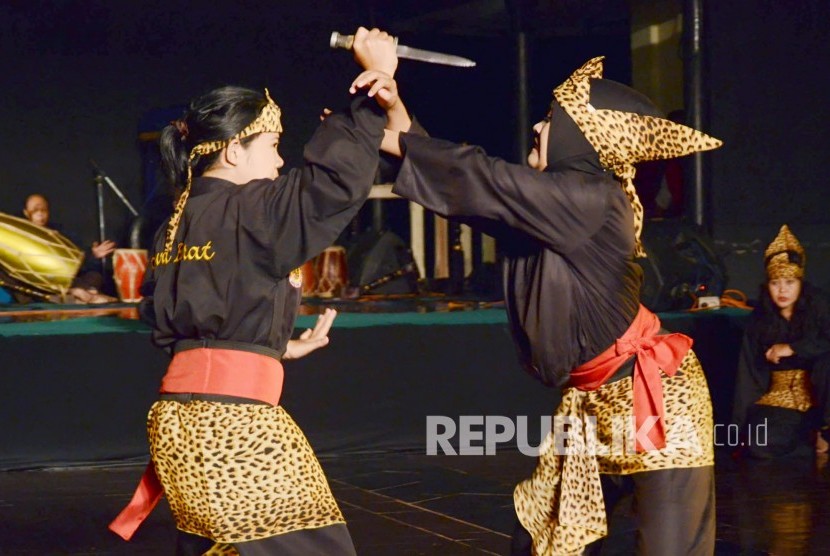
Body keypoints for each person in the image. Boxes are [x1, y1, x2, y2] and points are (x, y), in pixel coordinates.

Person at [375, 56, 723, 554]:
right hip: (590, 403)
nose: (539, 126)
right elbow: (476, 193)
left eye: (552, 119)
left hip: (657, 400)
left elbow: (486, 181)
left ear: (584, 134)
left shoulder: (592, 197)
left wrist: (396, 136)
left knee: (672, 548)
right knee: (543, 537)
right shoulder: (558, 202)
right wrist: (395, 113)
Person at [109, 27, 398, 555]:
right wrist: (375, 84)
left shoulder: (177, 220)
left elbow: (181, 315)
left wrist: (271, 344)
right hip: (233, 427)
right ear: (234, 152)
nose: (280, 160)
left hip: (182, 426)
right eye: (270, 145)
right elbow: (332, 185)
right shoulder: (249, 209)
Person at [731, 225, 830, 458]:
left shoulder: (819, 306)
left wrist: (793, 348)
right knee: (758, 444)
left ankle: (824, 431)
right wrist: (738, 429)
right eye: (776, 283)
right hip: (782, 399)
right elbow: (748, 375)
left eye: (789, 283)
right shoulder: (760, 319)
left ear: (800, 284)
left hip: (822, 396)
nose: (782, 290)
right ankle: (807, 437)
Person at [22, 193, 117, 303]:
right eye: (35, 210)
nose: (40, 214)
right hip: (40, 283)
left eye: (44, 210)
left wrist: (93, 254)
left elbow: (75, 261)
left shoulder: (58, 234)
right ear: (25, 212)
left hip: (63, 280)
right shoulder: (21, 235)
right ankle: (82, 295)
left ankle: (83, 293)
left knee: (94, 276)